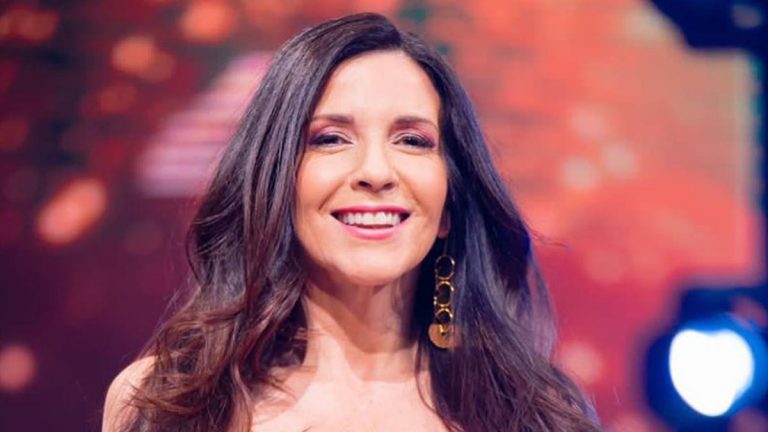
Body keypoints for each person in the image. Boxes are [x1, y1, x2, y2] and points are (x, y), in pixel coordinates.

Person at [103, 12, 601, 432]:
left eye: (412, 140)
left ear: (449, 206)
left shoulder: (534, 414)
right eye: (331, 139)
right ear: (276, 184)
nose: (376, 172)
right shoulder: (166, 404)